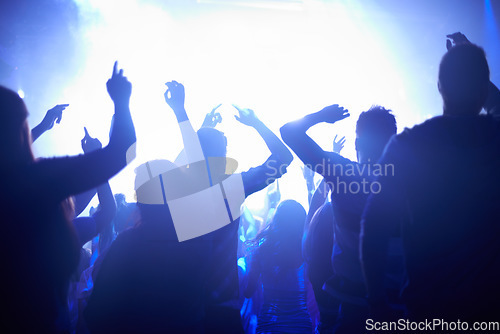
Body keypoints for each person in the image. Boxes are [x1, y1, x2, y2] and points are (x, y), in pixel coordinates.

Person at [360, 34, 500, 321]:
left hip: (429, 310)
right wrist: (472, 67)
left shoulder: (409, 145)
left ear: (440, 87)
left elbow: (374, 227)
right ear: (484, 92)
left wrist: (376, 300)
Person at [0, 61, 135, 333]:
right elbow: (122, 152)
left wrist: (41, 127)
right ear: (21, 129)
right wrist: (121, 101)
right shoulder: (39, 179)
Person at [164, 81, 293, 333]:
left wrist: (185, 115)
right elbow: (283, 158)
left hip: (181, 308)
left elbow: (185, 161)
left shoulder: (180, 189)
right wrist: (256, 123)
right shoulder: (232, 187)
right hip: (221, 308)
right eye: (225, 150)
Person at [281, 104, 403, 333]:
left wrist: (320, 116)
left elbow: (288, 132)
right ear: (392, 142)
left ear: (357, 144)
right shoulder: (413, 184)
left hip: (353, 311)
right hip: (400, 310)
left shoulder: (344, 174)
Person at [245, 200, 313, 334]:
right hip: (300, 327)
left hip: (270, 326)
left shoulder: (262, 251)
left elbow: (248, 291)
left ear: (277, 220)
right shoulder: (305, 251)